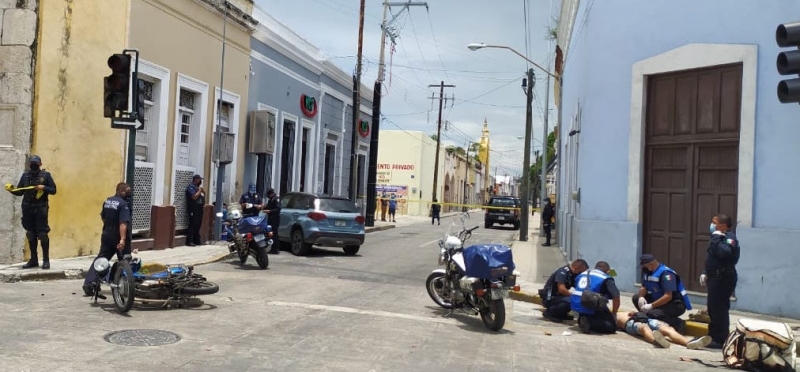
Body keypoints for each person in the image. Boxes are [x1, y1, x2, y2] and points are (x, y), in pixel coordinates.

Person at [6, 155, 57, 269]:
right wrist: (11, 190)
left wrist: (43, 187)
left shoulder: (46, 176)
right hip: (27, 208)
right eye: (32, 163)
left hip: (41, 208)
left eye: (36, 163)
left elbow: (54, 190)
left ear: (40, 164)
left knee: (43, 234)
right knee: (30, 233)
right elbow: (20, 192)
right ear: (29, 164)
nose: (34, 165)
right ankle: (33, 260)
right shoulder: (25, 176)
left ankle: (46, 260)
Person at [82, 183, 132, 296]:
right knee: (125, 261)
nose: (129, 194)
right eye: (127, 191)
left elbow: (102, 216)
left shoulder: (108, 201)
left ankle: (89, 284)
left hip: (107, 234)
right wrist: (122, 239)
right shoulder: (123, 204)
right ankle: (125, 286)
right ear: (121, 191)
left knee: (101, 259)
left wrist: (109, 227)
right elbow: (123, 223)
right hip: (118, 236)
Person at [701, 213, 740, 349]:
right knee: (712, 309)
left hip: (723, 278)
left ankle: (721, 339)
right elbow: (712, 257)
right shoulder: (716, 238)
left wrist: (717, 238)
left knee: (720, 309)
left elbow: (725, 253)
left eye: (714, 222)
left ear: (723, 226)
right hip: (714, 277)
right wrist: (706, 272)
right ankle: (712, 336)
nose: (712, 225)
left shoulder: (729, 238)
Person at [634, 254, 693, 332]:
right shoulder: (648, 272)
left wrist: (651, 305)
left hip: (675, 304)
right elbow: (644, 287)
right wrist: (641, 297)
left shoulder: (666, 274)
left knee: (652, 313)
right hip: (659, 299)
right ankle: (648, 317)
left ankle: (677, 323)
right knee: (636, 298)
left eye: (644, 265)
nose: (643, 267)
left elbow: (668, 296)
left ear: (650, 264)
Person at [616, 311, 713, 349]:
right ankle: (657, 341)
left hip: (647, 319)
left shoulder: (616, 312)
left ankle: (689, 342)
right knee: (644, 328)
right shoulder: (615, 316)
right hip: (630, 323)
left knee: (667, 329)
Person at [571, 261, 620, 334]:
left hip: (575, 304)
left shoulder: (582, 274)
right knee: (611, 326)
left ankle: (583, 318)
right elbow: (616, 297)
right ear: (608, 271)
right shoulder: (606, 278)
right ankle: (589, 322)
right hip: (590, 305)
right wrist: (614, 313)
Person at [184, 174, 205, 246]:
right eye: (200, 179)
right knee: (193, 224)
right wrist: (199, 191)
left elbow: (203, 197)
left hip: (199, 208)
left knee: (198, 224)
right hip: (193, 208)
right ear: (196, 179)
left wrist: (202, 191)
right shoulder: (191, 187)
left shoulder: (198, 188)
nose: (201, 181)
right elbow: (194, 197)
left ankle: (197, 240)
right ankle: (189, 241)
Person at [263, 188, 281, 254]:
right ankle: (272, 248)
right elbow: (269, 206)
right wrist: (263, 207)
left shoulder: (276, 199)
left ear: (272, 193)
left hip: (275, 218)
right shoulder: (271, 199)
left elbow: (278, 209)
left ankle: (275, 249)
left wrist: (269, 211)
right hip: (271, 218)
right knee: (270, 233)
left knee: (274, 233)